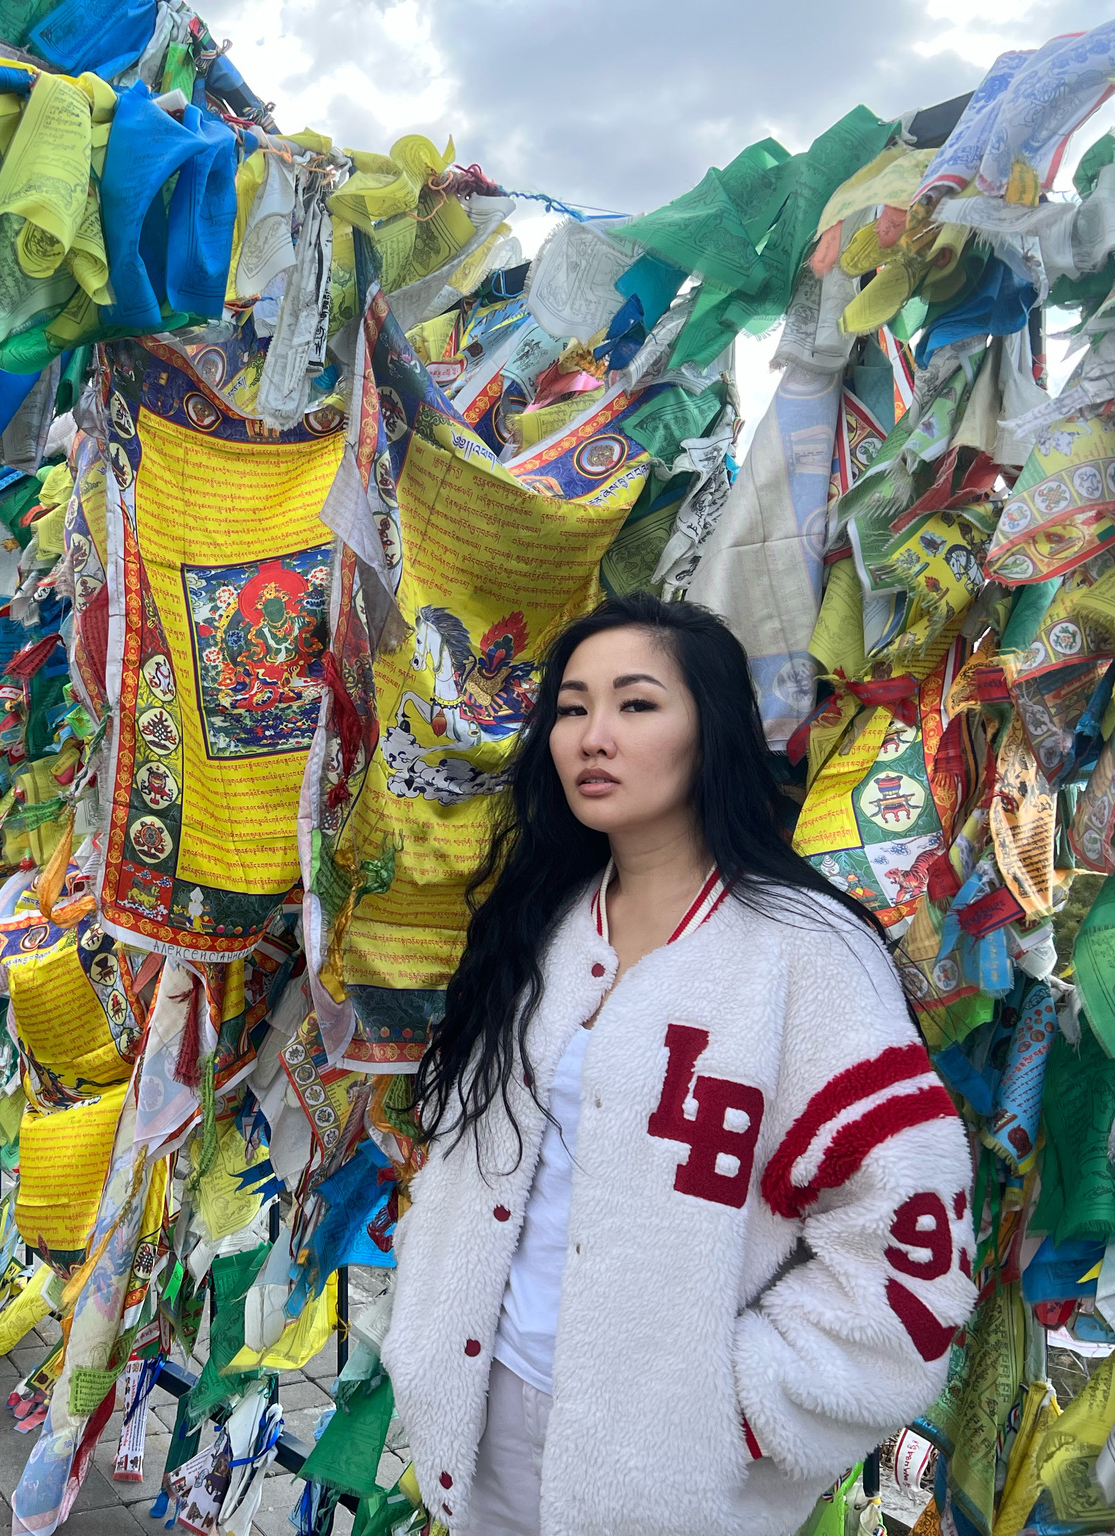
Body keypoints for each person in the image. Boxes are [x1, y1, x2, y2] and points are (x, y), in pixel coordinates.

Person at [381, 595, 976, 1535]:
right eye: (572, 708)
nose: (593, 736)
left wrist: (726, 1409)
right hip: (481, 1420)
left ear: (714, 732)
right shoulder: (541, 925)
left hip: (675, 1480)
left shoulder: (803, 955)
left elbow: (910, 1252)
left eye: (637, 704)